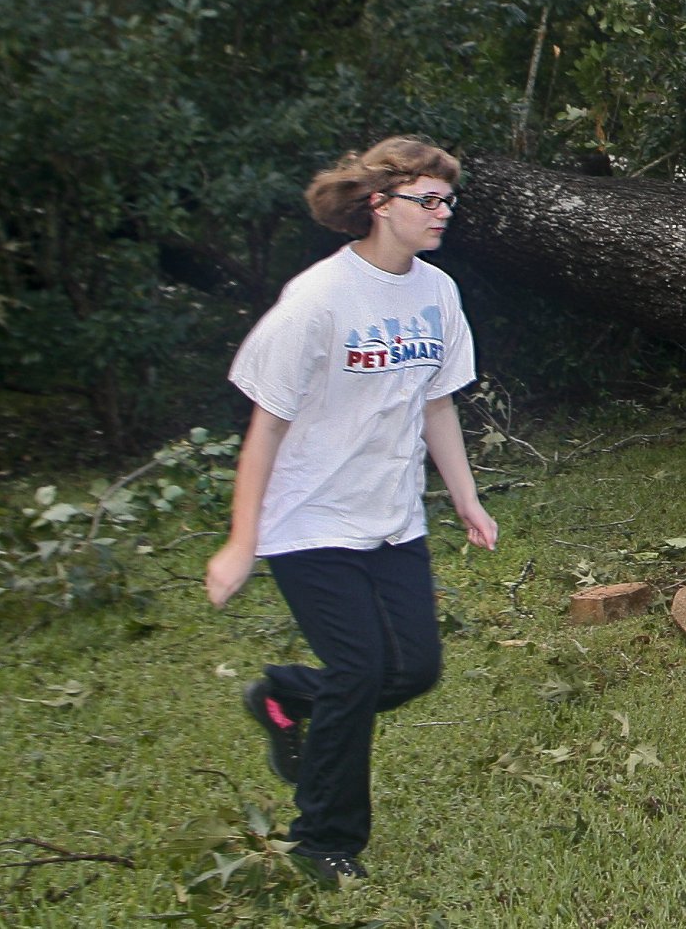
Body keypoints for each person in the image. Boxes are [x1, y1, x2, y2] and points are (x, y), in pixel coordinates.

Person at [204, 136, 496, 885]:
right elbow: (265, 426)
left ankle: (283, 695)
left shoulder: (437, 292)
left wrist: (466, 499)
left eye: (447, 200)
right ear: (380, 204)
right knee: (361, 670)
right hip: (308, 522)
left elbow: (437, 403)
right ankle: (322, 843)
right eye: (426, 200)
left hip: (393, 518)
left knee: (416, 671)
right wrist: (242, 543)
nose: (442, 213)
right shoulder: (318, 301)